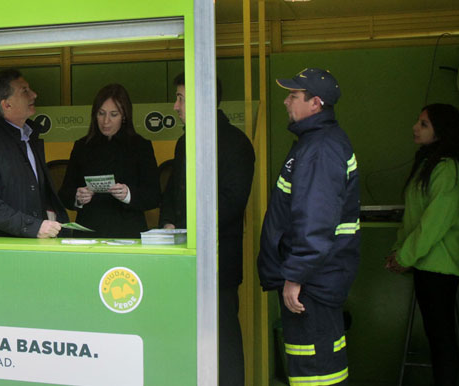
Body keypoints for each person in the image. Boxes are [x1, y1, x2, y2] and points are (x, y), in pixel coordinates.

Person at [257, 68, 360, 385]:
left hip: (310, 286)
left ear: (316, 103)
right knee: (315, 369)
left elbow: (314, 223)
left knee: (315, 374)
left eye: (293, 95)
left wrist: (295, 276)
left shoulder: (320, 149)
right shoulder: (314, 143)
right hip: (315, 284)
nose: (286, 101)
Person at [159, 74, 255, 386]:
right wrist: (169, 224)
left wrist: (188, 229)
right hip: (184, 263)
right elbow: (174, 193)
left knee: (223, 344)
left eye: (181, 98)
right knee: (187, 341)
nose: (175, 106)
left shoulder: (235, 142)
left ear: (202, 99)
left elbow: (232, 202)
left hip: (218, 266)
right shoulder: (185, 141)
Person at [385, 103, 459, 386]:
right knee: (438, 335)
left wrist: (405, 255)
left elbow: (434, 224)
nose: (415, 127)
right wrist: (400, 253)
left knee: (440, 337)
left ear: (441, 131)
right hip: (428, 263)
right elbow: (415, 218)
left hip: (440, 265)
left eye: (424, 124)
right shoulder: (430, 164)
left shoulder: (448, 169)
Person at [0, 69, 69, 238]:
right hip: (5, 250)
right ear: (6, 105)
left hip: (35, 245)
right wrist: (34, 226)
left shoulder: (30, 138)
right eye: (25, 91)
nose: (34, 95)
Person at [58, 84, 161, 238]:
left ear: (124, 116)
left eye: (114, 114)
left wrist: (128, 195)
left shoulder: (140, 146)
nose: (106, 121)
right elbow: (64, 194)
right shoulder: (82, 146)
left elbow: (154, 196)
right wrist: (77, 198)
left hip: (127, 233)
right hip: (88, 233)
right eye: (101, 113)